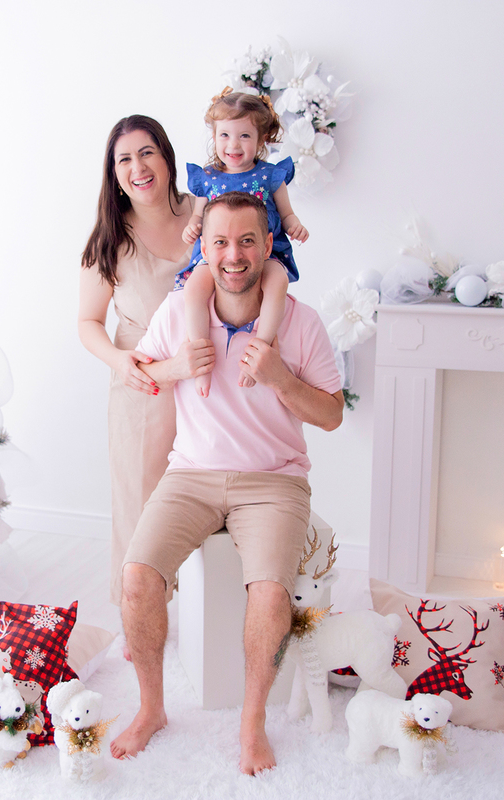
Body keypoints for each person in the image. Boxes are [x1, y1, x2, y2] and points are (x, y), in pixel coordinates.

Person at [109, 192, 344, 775]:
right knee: (137, 577)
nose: (233, 255)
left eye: (246, 241)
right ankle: (151, 709)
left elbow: (332, 414)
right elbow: (139, 373)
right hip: (190, 474)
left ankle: (252, 721)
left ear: (268, 246)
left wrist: (278, 376)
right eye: (219, 242)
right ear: (203, 249)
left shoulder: (302, 321)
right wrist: (178, 367)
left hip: (274, 482)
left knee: (268, 592)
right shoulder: (177, 312)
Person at [79, 115, 197, 605]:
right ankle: (139, 608)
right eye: (123, 159)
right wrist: (120, 361)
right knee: (140, 501)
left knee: (202, 497)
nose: (138, 167)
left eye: (146, 152)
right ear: (114, 174)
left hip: (208, 374)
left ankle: (201, 602)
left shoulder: (204, 211)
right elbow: (88, 322)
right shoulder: (109, 237)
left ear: (166, 157)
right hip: (143, 382)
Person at [180, 90, 310, 398]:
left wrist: (295, 226)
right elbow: (198, 217)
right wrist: (192, 227)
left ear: (262, 138)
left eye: (244, 136)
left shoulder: (269, 175)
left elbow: (287, 214)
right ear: (214, 136)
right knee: (193, 289)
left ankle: (260, 349)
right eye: (224, 135)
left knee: (277, 283)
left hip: (266, 251)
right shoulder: (208, 177)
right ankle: (200, 360)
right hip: (216, 255)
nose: (233, 145)